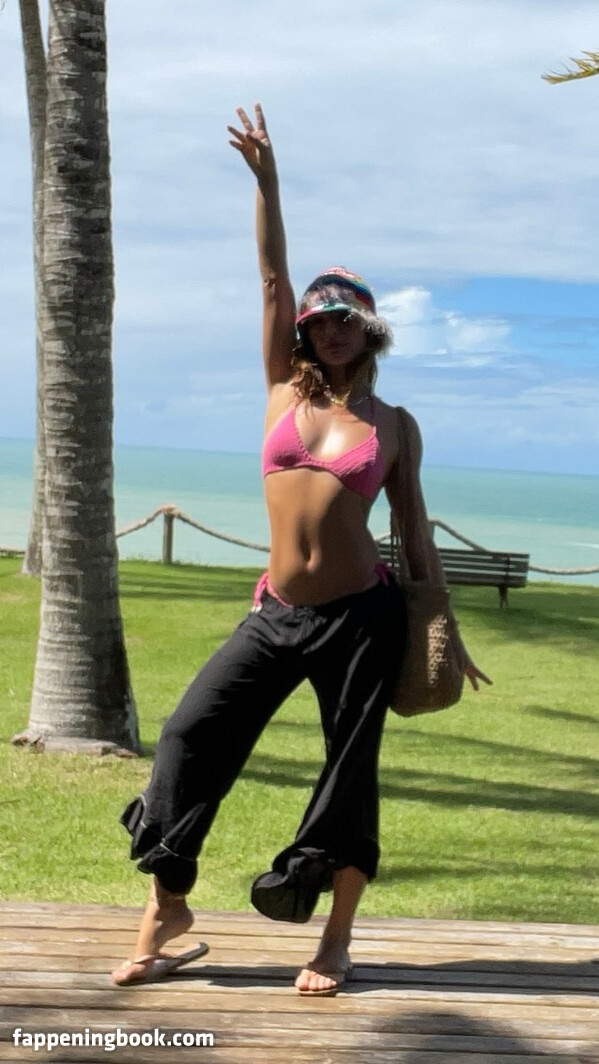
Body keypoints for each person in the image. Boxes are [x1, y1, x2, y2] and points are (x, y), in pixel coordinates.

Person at [112, 103, 490, 995]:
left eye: (345, 319)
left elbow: (412, 529)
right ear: (304, 331)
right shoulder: (283, 391)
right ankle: (167, 909)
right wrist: (268, 182)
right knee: (189, 735)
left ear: (369, 331)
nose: (330, 328)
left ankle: (334, 938)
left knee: (349, 769)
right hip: (275, 611)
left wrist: (442, 625)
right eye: (319, 320)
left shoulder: (394, 425)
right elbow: (270, 275)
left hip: (362, 618)